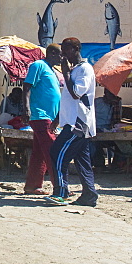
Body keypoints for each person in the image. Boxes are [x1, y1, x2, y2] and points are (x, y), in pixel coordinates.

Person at [46, 37, 98, 207]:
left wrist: (66, 73)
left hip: (79, 123)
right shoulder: (75, 70)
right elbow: (68, 99)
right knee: (83, 161)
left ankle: (61, 193)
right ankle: (89, 195)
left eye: (67, 51)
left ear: (76, 49)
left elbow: (76, 93)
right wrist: (57, 119)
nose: (64, 55)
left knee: (57, 153)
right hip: (71, 121)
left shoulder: (85, 69)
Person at [22, 44, 62, 195]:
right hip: (40, 115)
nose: (62, 58)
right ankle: (60, 186)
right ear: (51, 53)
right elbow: (27, 87)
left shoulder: (52, 70)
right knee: (53, 150)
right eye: (60, 54)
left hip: (49, 117)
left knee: (39, 153)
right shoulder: (38, 65)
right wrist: (26, 108)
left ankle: (32, 186)